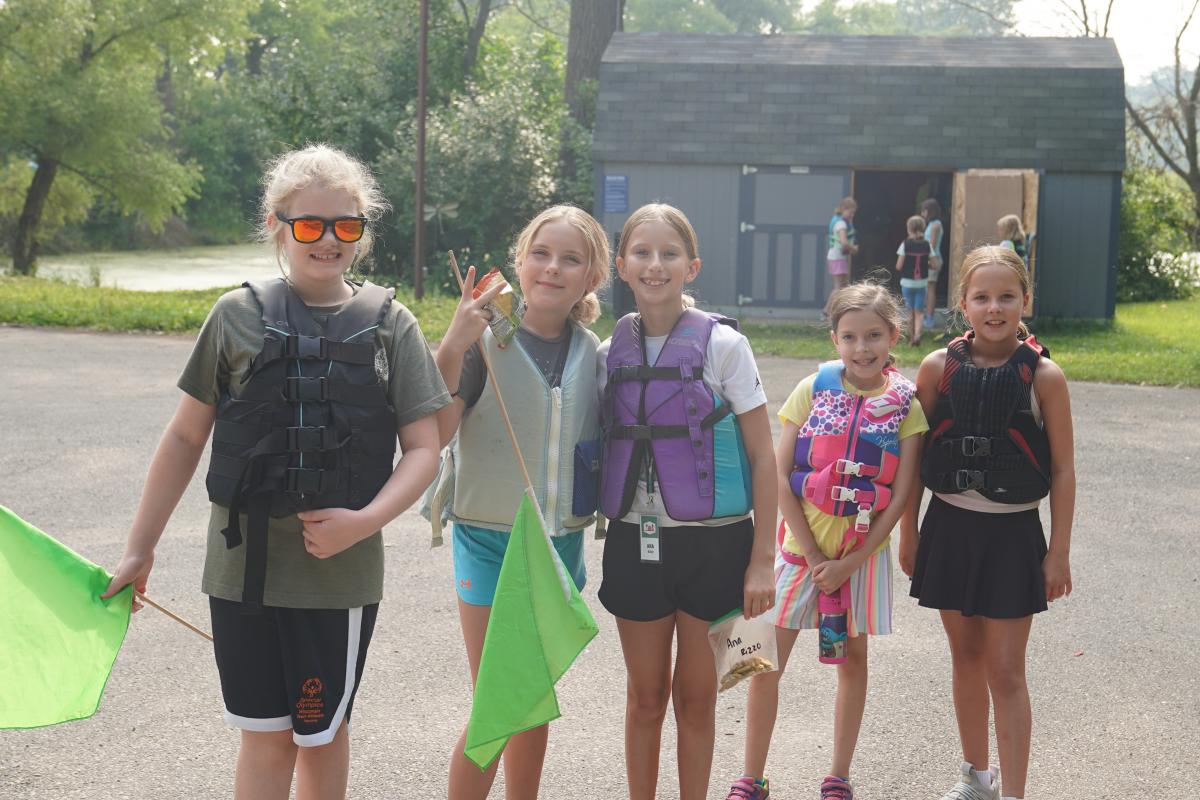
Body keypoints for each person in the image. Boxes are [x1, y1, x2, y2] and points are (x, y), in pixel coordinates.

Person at [101, 144, 448, 800]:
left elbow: (424, 449)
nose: (329, 240)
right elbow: (185, 437)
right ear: (277, 226)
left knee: (321, 738)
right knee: (264, 741)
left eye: (346, 225)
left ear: (363, 231)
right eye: (310, 225)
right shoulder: (233, 316)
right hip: (242, 577)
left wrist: (364, 522)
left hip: (338, 580)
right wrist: (139, 548)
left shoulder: (391, 327)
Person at [428, 204, 611, 800]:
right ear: (520, 261)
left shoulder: (595, 352)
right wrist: (453, 343)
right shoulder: (482, 341)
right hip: (489, 542)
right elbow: (436, 432)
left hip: (559, 546)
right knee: (499, 702)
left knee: (533, 701)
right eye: (541, 254)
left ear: (592, 277)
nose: (552, 268)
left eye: (570, 259)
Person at [598, 203, 776, 800]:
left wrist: (762, 560)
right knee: (645, 698)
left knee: (696, 701)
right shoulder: (607, 352)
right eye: (642, 253)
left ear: (691, 266)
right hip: (635, 543)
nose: (655, 265)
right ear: (622, 265)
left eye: (669, 253)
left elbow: (763, 457)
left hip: (717, 548)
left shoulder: (726, 346)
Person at [726, 282, 928, 800]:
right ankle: (751, 777)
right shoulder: (811, 389)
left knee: (852, 664)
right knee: (763, 662)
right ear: (835, 339)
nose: (862, 348)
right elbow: (779, 474)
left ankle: (838, 776)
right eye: (850, 336)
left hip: (860, 562)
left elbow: (902, 494)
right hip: (800, 556)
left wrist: (851, 562)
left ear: (894, 336)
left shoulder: (907, 406)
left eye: (874, 335)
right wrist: (815, 556)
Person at [901, 245, 1075, 800]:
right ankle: (977, 778)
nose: (994, 308)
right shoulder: (936, 368)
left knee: (1005, 670)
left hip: (1012, 537)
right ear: (963, 304)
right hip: (949, 530)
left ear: (1025, 300)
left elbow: (1063, 469)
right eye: (982, 297)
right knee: (966, 657)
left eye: (1006, 296)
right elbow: (913, 456)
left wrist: (1059, 551)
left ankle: (1015, 792)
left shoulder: (1045, 377)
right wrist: (908, 532)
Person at [895, 214, 933, 346]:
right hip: (921, 283)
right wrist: (926, 263)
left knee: (909, 311)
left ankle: (911, 339)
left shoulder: (905, 244)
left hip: (907, 283)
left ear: (909, 229)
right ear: (923, 228)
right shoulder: (927, 244)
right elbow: (934, 264)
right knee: (919, 312)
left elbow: (898, 266)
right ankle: (917, 335)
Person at [825, 197, 859, 316]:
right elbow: (844, 242)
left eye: (854, 213)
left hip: (838, 257)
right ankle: (827, 311)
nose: (852, 215)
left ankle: (839, 310)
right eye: (851, 212)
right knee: (838, 286)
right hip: (837, 258)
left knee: (843, 285)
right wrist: (854, 248)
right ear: (844, 209)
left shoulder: (839, 220)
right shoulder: (841, 224)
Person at [921, 198, 944, 329]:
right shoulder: (931, 224)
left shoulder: (936, 225)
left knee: (930, 288)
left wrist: (928, 260)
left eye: (924, 210)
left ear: (930, 211)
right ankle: (927, 316)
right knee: (927, 288)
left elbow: (932, 245)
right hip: (929, 258)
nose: (922, 213)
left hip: (932, 259)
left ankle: (929, 319)